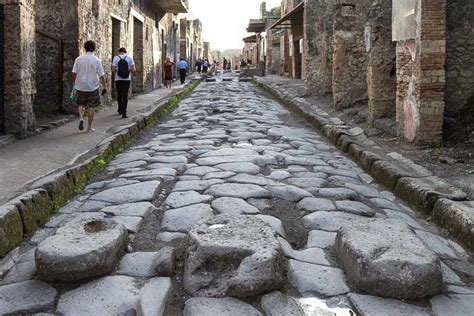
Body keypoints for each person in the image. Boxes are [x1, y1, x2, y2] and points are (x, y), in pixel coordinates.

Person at [72, 40, 106, 132]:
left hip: (80, 86)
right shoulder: (97, 60)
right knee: (91, 107)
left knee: (81, 104)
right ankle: (89, 127)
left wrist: (76, 83)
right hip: (93, 87)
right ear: (94, 49)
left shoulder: (78, 59)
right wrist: (105, 86)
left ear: (85, 48)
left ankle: (81, 118)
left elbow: (74, 73)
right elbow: (101, 75)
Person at [112, 47, 135, 118]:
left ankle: (120, 109)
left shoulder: (116, 58)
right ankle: (124, 112)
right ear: (125, 52)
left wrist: (117, 70)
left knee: (119, 94)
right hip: (127, 79)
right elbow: (134, 69)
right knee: (125, 95)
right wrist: (129, 70)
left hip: (118, 79)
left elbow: (113, 69)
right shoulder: (129, 58)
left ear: (119, 52)